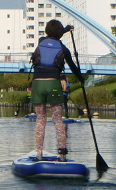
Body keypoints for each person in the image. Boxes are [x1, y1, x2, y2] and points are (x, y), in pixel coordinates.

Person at [30, 19, 84, 162]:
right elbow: (72, 67)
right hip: (53, 84)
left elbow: (51, 37)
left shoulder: (41, 41)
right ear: (60, 34)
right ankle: (62, 154)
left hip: (38, 84)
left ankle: (39, 153)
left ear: (47, 31)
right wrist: (81, 79)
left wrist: (64, 30)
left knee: (41, 120)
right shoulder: (63, 48)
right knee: (57, 120)